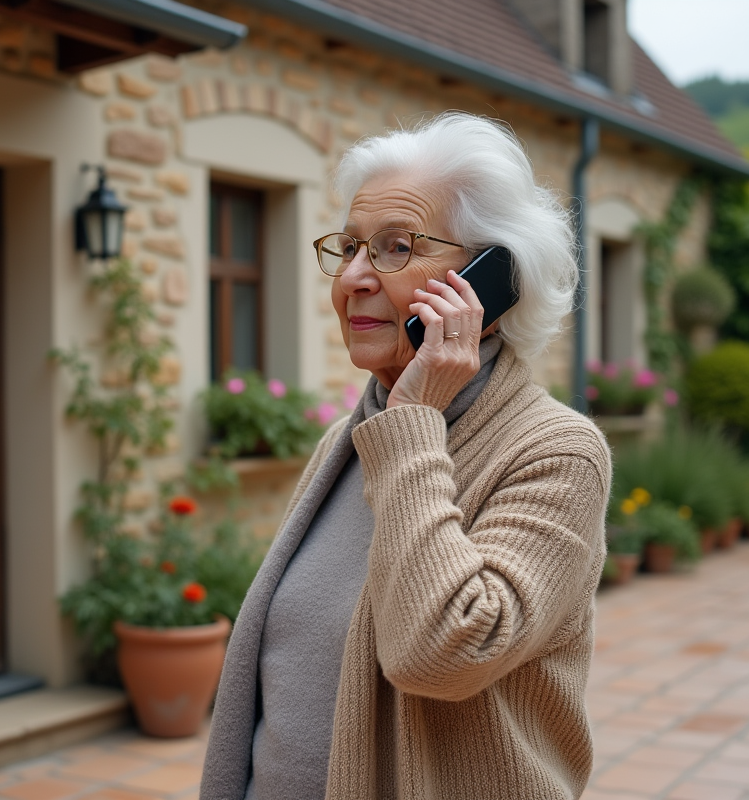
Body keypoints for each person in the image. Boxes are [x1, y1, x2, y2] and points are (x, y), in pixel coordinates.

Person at [200, 112, 611, 800]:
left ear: (491, 280)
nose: (355, 277)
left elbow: (444, 657)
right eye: (351, 246)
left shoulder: (557, 453)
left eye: (396, 248)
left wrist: (416, 422)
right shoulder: (352, 437)